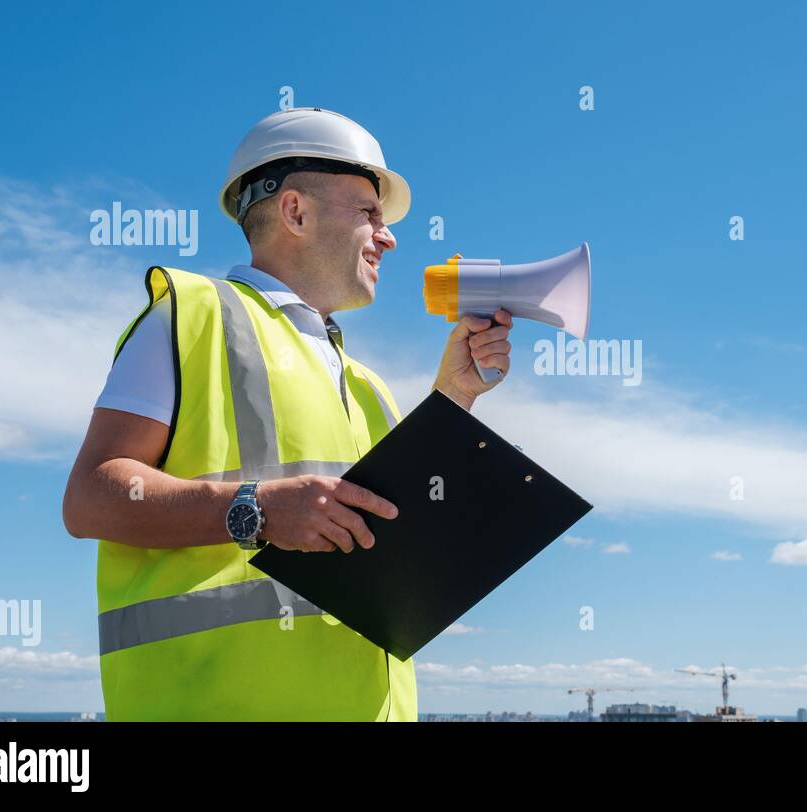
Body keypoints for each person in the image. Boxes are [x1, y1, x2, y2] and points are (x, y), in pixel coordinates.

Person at [62, 107, 513, 720]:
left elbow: (389, 533)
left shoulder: (366, 383)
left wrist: (453, 398)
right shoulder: (194, 315)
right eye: (369, 213)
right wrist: (259, 509)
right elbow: (91, 497)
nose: (389, 237)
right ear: (295, 212)